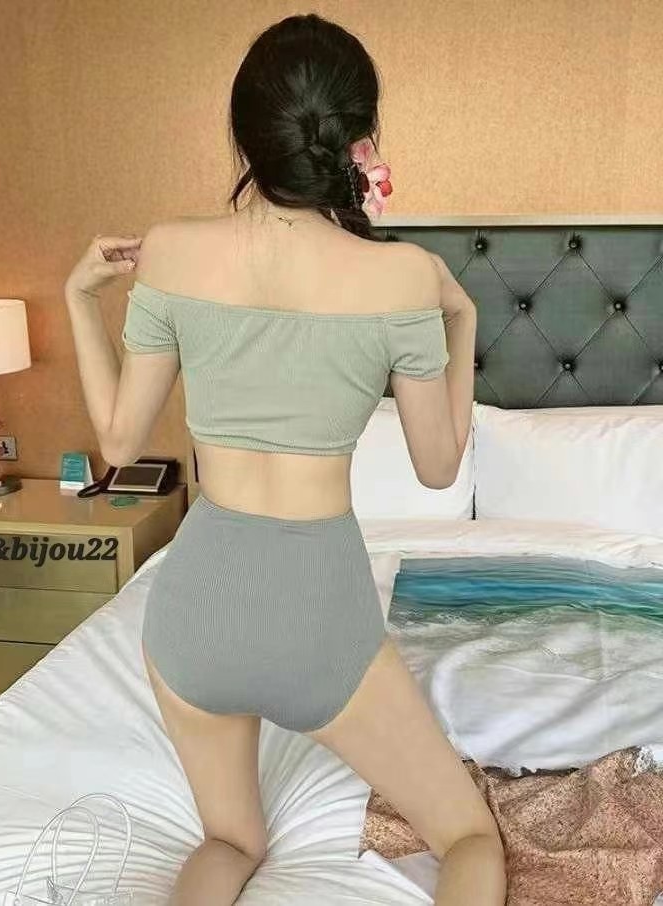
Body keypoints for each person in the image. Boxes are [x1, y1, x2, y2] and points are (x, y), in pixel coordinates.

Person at [64, 12, 506, 906]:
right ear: (359, 138)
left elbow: (117, 444)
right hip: (317, 618)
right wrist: (461, 318)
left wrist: (79, 295)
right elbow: (437, 467)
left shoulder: (170, 250)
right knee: (467, 838)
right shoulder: (405, 276)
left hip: (193, 614)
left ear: (245, 133)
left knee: (229, 841)